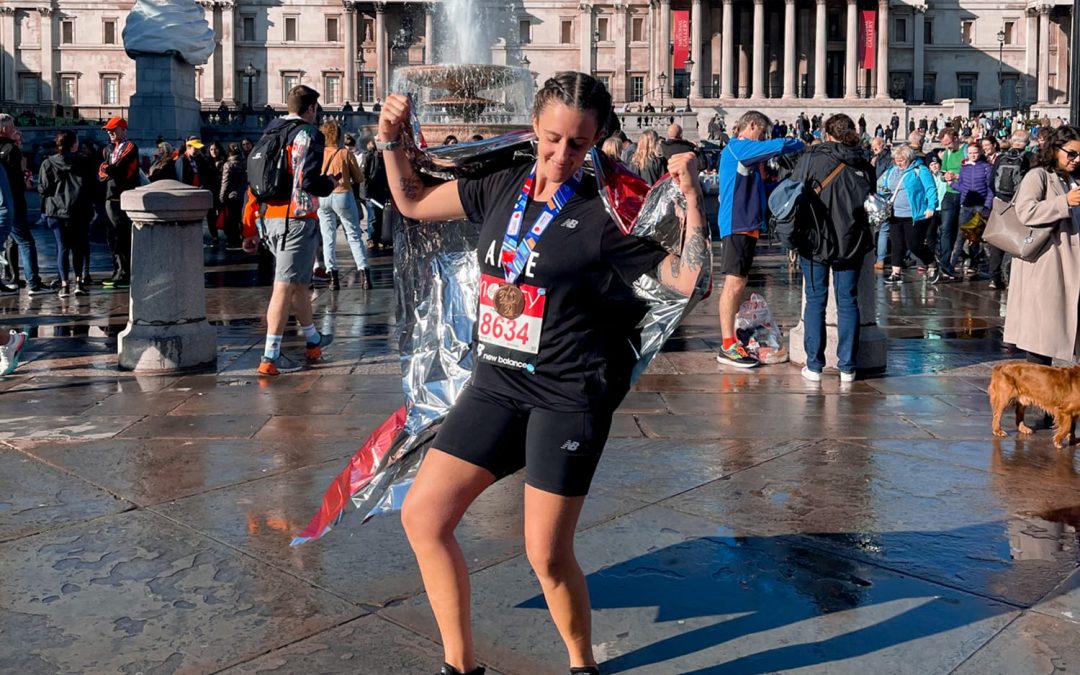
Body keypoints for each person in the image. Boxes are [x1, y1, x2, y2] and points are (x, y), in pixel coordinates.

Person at [378, 71, 708, 675]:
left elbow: (687, 280)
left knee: (546, 555)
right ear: (534, 126)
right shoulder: (500, 185)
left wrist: (690, 201)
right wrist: (390, 140)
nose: (561, 154)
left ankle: (582, 664)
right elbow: (413, 202)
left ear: (596, 139)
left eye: (578, 144)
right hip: (496, 384)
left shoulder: (608, 211)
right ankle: (460, 666)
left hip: (567, 394)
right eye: (553, 138)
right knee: (423, 517)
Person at [241, 85, 339, 376]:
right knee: (284, 286)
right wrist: (330, 183)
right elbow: (308, 181)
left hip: (268, 217)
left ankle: (313, 340)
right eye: (316, 110)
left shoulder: (270, 133)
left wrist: (249, 227)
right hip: (295, 218)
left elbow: (253, 183)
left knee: (299, 283)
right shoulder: (308, 134)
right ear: (311, 109)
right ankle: (270, 357)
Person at [715, 110, 804, 368]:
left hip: (746, 224)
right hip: (737, 223)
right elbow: (778, 146)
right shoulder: (739, 148)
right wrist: (802, 144)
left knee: (739, 282)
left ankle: (732, 339)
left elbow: (760, 189)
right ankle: (727, 345)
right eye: (762, 132)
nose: (763, 137)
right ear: (752, 125)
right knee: (733, 283)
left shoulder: (745, 156)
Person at [790, 114, 874, 382]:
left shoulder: (811, 159)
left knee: (815, 301)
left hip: (816, 238)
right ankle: (847, 367)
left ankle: (814, 365)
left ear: (827, 134)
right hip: (851, 240)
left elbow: (792, 194)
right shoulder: (863, 162)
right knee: (848, 301)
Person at [1004, 125, 1080, 366]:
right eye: (1072, 153)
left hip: (1070, 264)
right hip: (1046, 264)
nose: (1077, 159)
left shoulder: (1072, 179)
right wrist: (1064, 202)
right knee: (1041, 336)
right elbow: (1025, 211)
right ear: (1055, 149)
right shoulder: (1038, 176)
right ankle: (1037, 388)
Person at [38, 130, 96, 297]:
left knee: (62, 247)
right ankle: (79, 282)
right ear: (74, 145)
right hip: (79, 209)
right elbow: (91, 186)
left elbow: (43, 188)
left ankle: (64, 284)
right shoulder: (84, 162)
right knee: (78, 247)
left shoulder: (48, 163)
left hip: (56, 210)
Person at [317, 120, 371, 290]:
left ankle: (333, 277)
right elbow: (359, 178)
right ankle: (364, 275)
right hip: (342, 193)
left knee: (328, 237)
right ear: (338, 136)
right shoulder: (344, 153)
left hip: (323, 196)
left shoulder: (319, 153)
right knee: (353, 234)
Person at [877, 145, 939, 284]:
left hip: (914, 214)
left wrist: (931, 206)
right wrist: (883, 191)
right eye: (897, 160)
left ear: (909, 159)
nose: (899, 163)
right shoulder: (892, 171)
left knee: (914, 244)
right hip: (895, 213)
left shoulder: (920, 170)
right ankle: (896, 273)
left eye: (902, 160)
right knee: (896, 244)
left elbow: (930, 188)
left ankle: (931, 263)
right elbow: (882, 186)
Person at [0, 114, 44, 293]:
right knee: (25, 242)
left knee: (7, 242)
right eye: (12, 127)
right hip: (12, 203)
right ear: (4, 129)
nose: (14, 129)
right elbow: (16, 180)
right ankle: (33, 282)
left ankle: (10, 278)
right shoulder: (12, 149)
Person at [98, 116, 140, 289]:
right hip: (110, 196)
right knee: (112, 237)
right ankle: (118, 270)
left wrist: (107, 169)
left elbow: (118, 168)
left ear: (123, 130)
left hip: (123, 196)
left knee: (122, 236)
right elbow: (101, 172)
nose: (110, 133)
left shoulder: (130, 146)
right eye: (108, 130)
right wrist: (107, 170)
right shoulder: (107, 149)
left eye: (113, 130)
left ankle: (124, 273)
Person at [987, 132, 1033, 289]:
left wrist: (999, 195)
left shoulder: (1001, 158)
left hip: (1001, 202)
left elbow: (991, 181)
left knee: (997, 238)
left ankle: (994, 278)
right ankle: (1012, 277)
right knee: (1018, 239)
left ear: (1012, 141)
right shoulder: (1030, 158)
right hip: (1020, 203)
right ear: (1027, 143)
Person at [945, 144, 994, 279]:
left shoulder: (986, 167)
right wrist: (951, 184)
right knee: (960, 236)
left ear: (980, 152)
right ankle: (950, 265)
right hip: (966, 206)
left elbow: (990, 188)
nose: (973, 155)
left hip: (980, 206)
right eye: (970, 153)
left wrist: (987, 206)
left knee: (977, 238)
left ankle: (979, 265)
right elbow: (963, 187)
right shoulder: (964, 167)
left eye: (975, 152)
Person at [935, 128, 965, 270]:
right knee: (945, 228)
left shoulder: (966, 151)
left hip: (964, 194)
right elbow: (942, 173)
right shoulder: (947, 153)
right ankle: (945, 262)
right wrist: (945, 176)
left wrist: (957, 176)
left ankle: (962, 257)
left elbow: (974, 172)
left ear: (956, 138)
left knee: (962, 229)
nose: (947, 147)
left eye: (948, 143)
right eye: (944, 144)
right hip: (949, 192)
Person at [219, 143, 247, 251]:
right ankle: (244, 239)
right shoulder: (245, 163)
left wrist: (222, 197)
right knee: (242, 218)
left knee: (232, 220)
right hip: (244, 194)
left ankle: (234, 242)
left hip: (232, 196)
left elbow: (225, 183)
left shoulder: (228, 165)